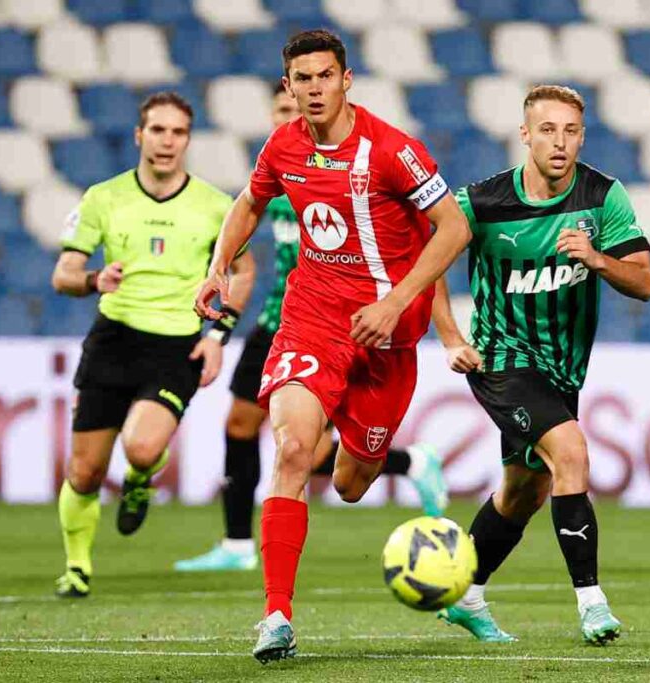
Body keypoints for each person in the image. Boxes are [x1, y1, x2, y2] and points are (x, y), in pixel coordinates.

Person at [193, 29, 470, 663]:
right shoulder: (283, 144)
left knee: (349, 482)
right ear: (288, 86)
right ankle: (276, 617)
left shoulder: (392, 151)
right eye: (302, 80)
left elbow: (453, 227)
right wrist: (218, 265)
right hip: (313, 317)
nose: (313, 89)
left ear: (347, 80)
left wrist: (397, 303)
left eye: (325, 77)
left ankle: (386, 454)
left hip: (388, 336)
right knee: (290, 447)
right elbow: (249, 202)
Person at [174, 84, 448, 574]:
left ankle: (404, 463)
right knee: (268, 435)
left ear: (343, 83)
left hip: (364, 325)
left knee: (338, 473)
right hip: (292, 321)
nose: (293, 113)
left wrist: (421, 315)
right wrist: (218, 272)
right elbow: (248, 227)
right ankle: (241, 546)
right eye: (284, 105)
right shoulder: (282, 172)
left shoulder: (363, 166)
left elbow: (431, 235)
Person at [432, 85, 650, 645]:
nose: (560, 142)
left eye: (571, 131)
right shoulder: (481, 203)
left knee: (521, 493)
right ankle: (592, 603)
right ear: (525, 134)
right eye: (548, 130)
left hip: (562, 368)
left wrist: (598, 259)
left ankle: (465, 592)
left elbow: (645, 282)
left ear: (583, 135)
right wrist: (451, 336)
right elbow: (427, 260)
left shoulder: (603, 195)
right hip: (501, 358)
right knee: (571, 452)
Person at [50, 92, 256, 597]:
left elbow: (244, 273)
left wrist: (218, 337)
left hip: (175, 346)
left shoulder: (215, 206)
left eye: (178, 132)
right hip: (113, 340)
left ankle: (142, 476)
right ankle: (77, 566)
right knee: (84, 470)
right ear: (140, 135)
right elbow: (64, 274)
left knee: (141, 448)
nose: (168, 141)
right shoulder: (104, 196)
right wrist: (95, 278)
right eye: (158, 130)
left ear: (188, 139)